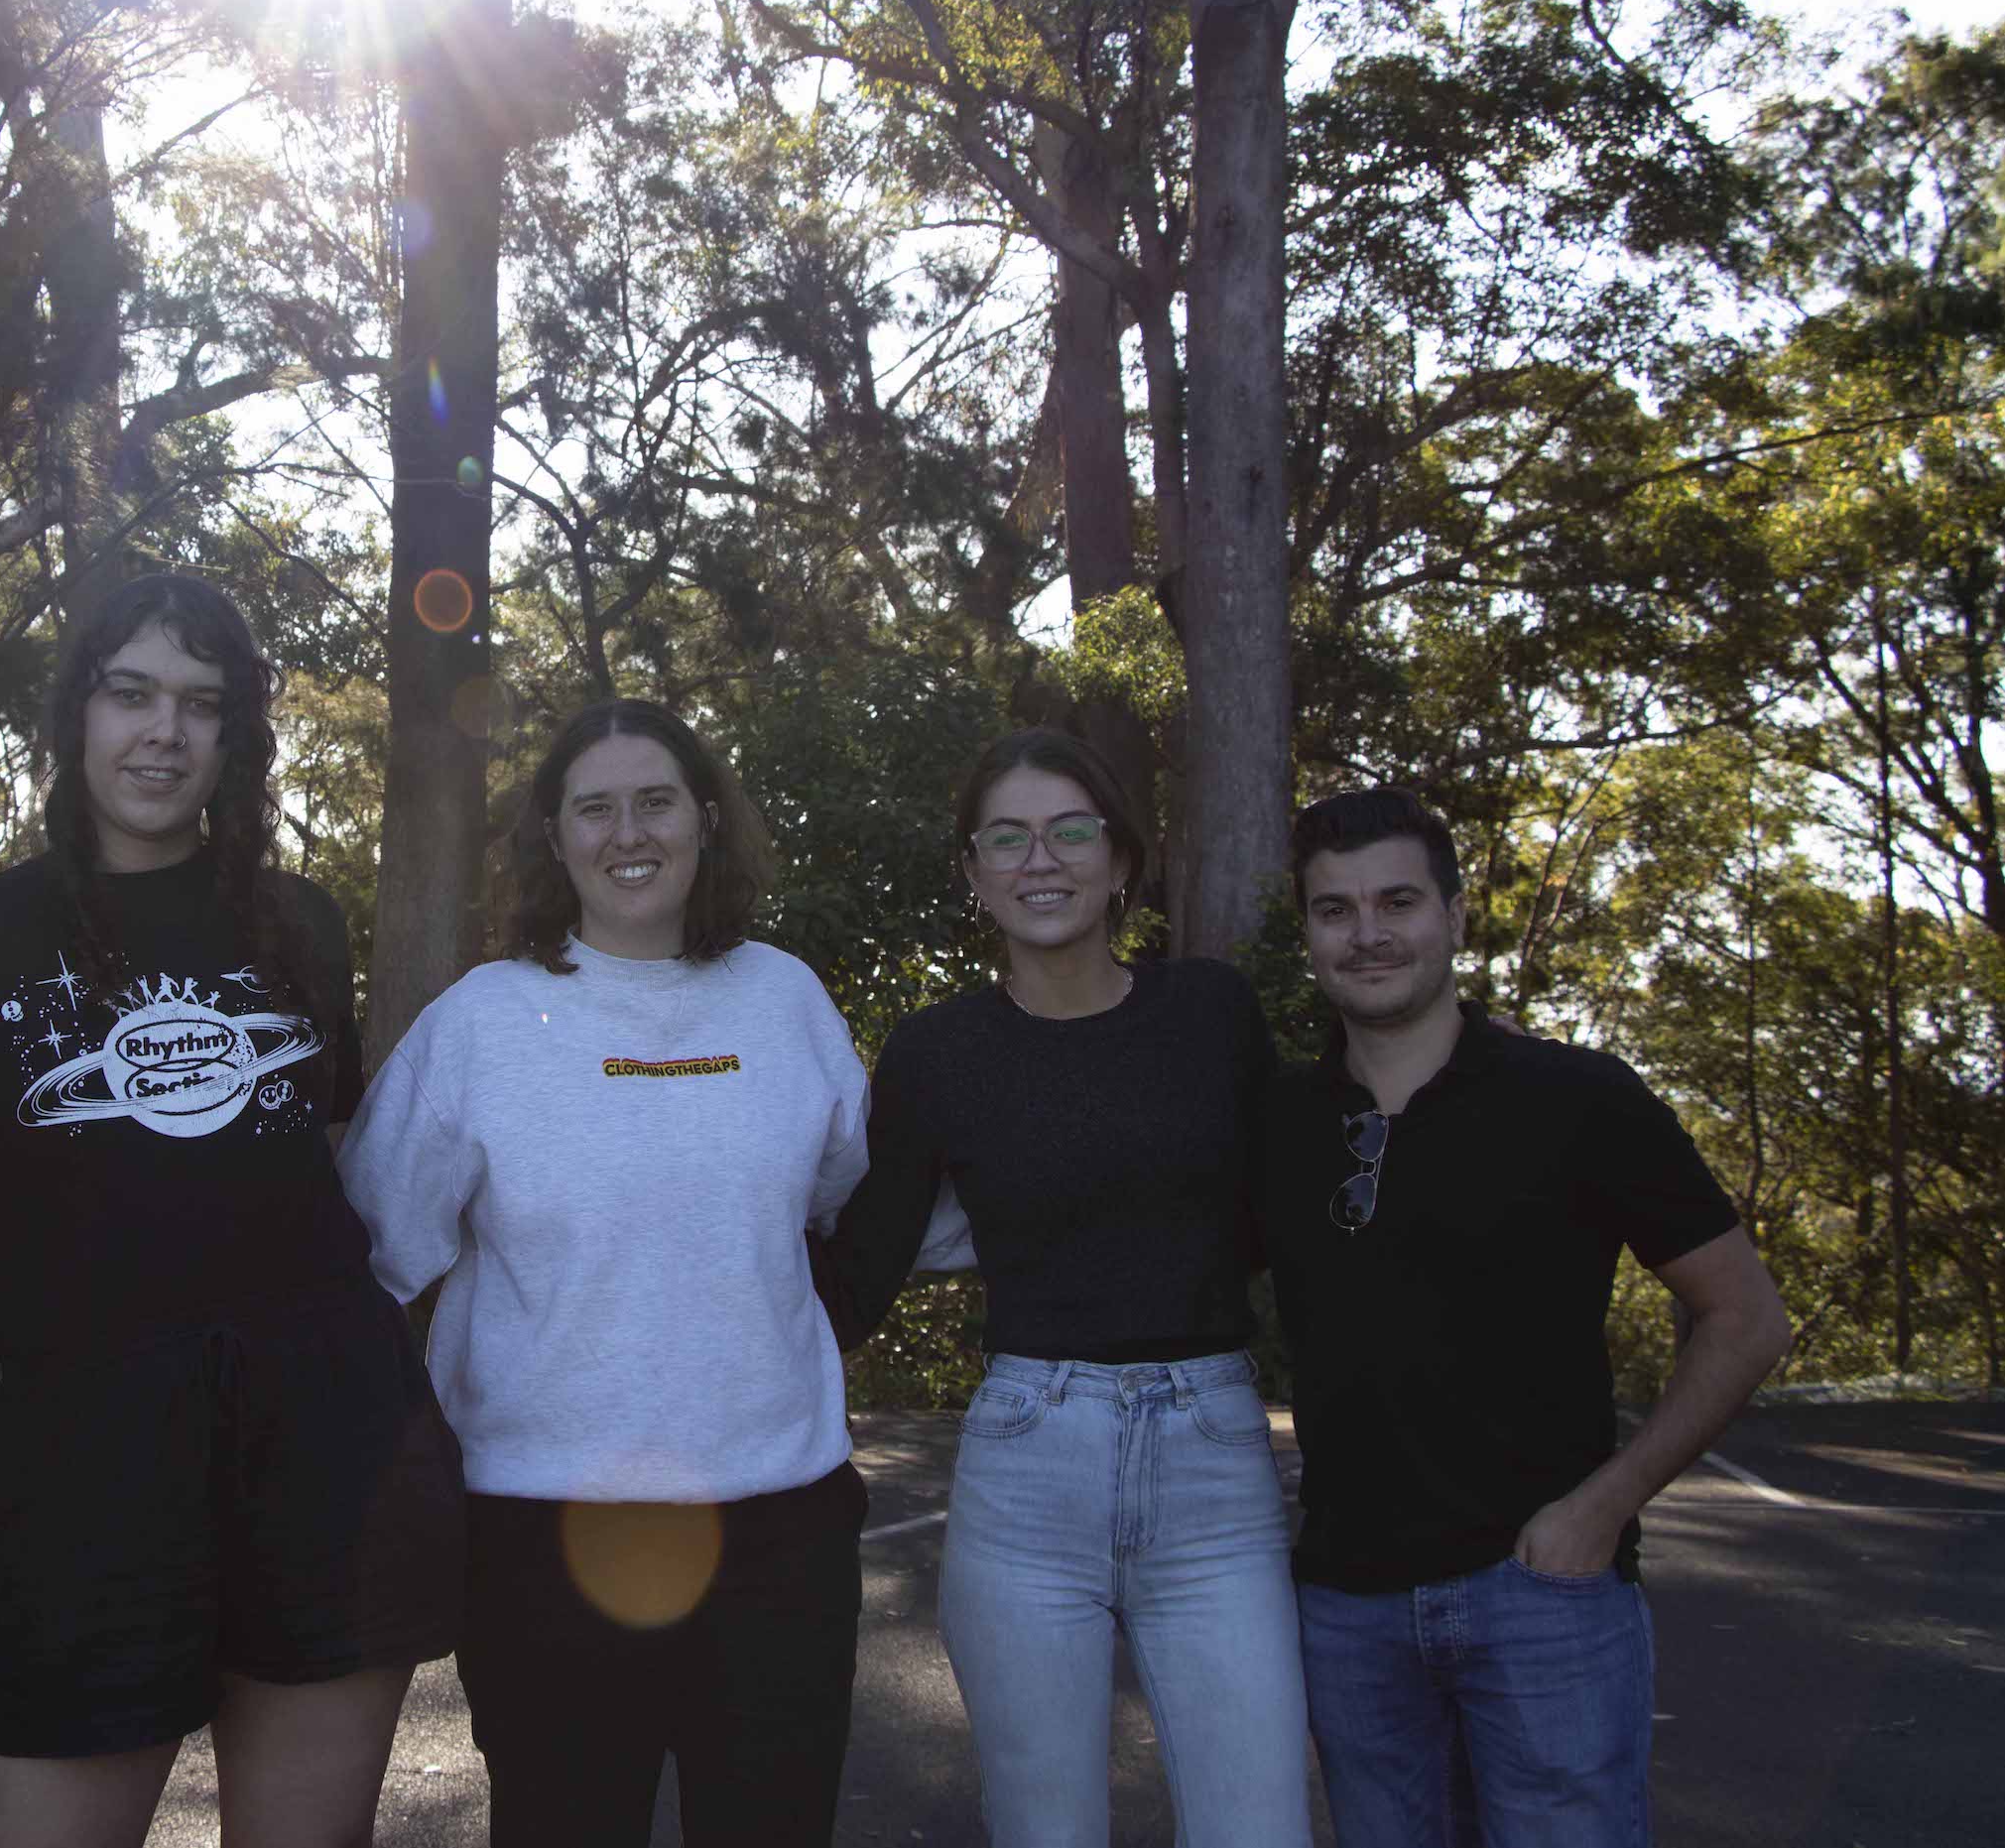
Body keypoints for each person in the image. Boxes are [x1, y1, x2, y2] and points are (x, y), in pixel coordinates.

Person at [0, 571, 463, 1848]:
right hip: (85, 1460)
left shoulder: (297, 922)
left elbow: (321, 1159)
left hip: (324, 1443)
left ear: (236, 737)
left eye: (202, 704)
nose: (163, 732)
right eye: (130, 692)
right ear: (75, 716)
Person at [338, 698, 872, 1848]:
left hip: (780, 1534)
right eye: (594, 807)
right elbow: (370, 1256)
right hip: (543, 1542)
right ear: (553, 836)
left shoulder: (786, 1002)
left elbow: (838, 1200)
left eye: (656, 800)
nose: (628, 832)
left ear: (707, 822)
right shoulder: (478, 1026)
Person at [814, 726, 1312, 1848]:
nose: (1041, 860)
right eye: (1008, 837)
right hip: (1027, 1469)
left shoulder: (1210, 1014)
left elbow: (1284, 1226)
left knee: (1261, 1830)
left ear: (1122, 858)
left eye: (1070, 829)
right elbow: (856, 1277)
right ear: (974, 874)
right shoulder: (936, 1051)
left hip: (1214, 1470)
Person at [1266, 788, 1793, 1846]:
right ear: (1309, 933)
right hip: (1346, 1609)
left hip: (1541, 1595)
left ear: (1455, 917)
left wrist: (1601, 1507)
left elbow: (1744, 1317)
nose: (1368, 933)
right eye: (1335, 910)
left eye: (1398, 901)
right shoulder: (1275, 1123)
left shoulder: (1578, 1098)